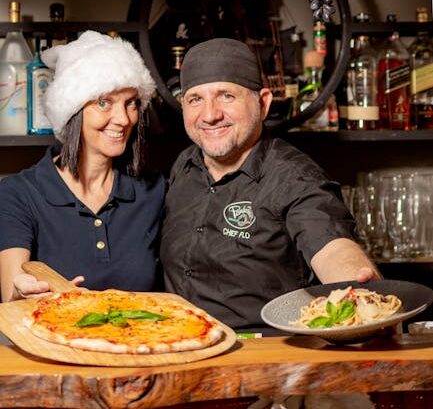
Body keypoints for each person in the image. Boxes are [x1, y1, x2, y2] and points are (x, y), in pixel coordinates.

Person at [160, 37, 379, 331]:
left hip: (262, 351)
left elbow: (331, 246)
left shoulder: (294, 176)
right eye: (195, 99)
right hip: (177, 343)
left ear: (262, 103)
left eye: (226, 96)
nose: (210, 115)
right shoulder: (183, 166)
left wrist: (358, 287)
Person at [0, 31, 165, 302]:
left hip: (145, 331)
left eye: (131, 103)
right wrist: (23, 291)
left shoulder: (154, 190)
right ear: (71, 111)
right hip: (51, 328)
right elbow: (11, 296)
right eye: (104, 103)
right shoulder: (18, 193)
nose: (123, 119)